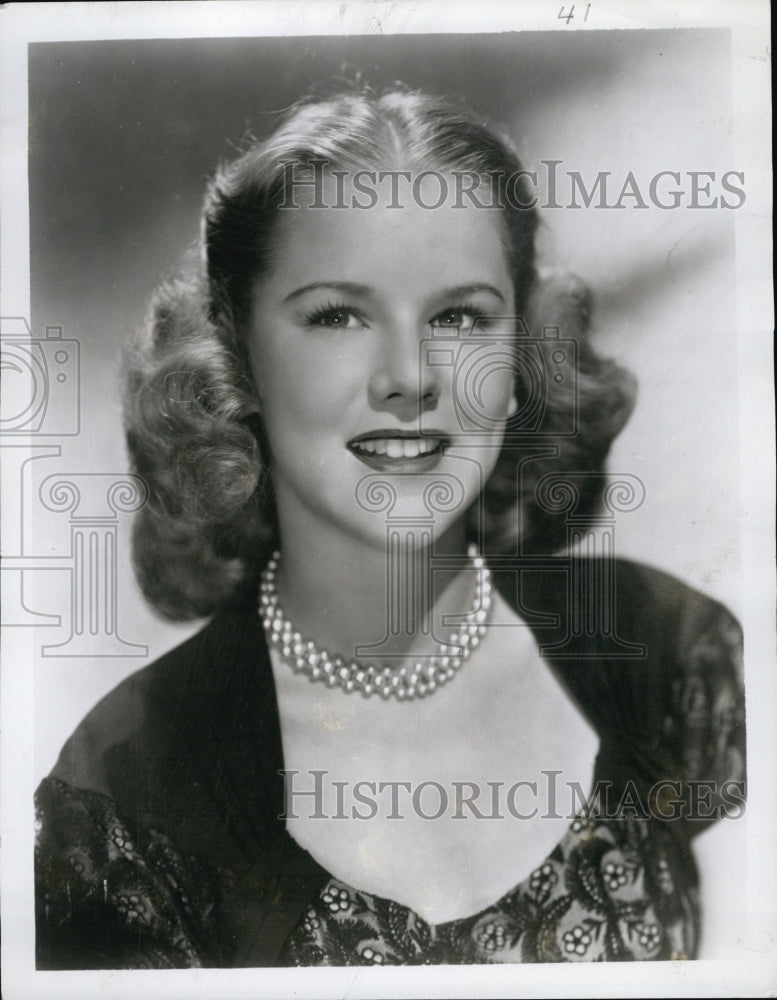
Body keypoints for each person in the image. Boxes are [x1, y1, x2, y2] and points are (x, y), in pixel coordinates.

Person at [34, 84, 745, 968]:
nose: (409, 376)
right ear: (237, 360)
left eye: (459, 316)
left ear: (521, 355)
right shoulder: (127, 797)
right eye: (337, 315)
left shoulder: (666, 652)